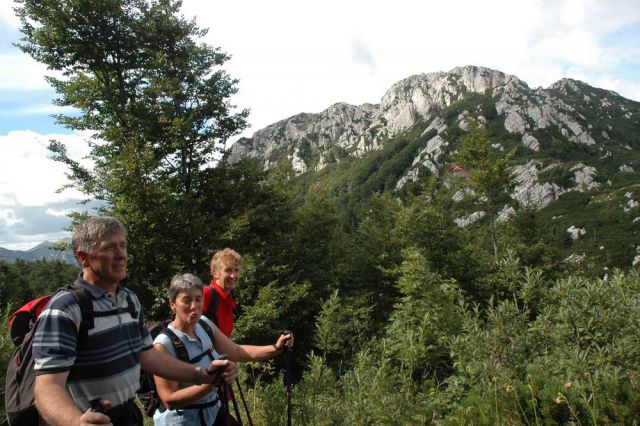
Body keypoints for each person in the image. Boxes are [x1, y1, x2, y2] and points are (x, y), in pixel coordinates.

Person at [32, 216, 236, 426]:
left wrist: (202, 374)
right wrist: (76, 422)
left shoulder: (129, 300)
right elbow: (46, 387)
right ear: (84, 257)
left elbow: (148, 357)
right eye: (110, 248)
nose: (121, 255)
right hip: (90, 418)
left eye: (122, 246)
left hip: (129, 415)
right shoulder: (65, 309)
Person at [153, 273, 294, 426]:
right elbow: (169, 399)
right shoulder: (164, 344)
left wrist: (275, 348)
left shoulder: (204, 325)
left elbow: (236, 351)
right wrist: (213, 382)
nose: (194, 306)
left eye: (198, 299)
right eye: (186, 300)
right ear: (172, 304)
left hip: (213, 414)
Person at [203, 248, 242, 337]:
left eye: (236, 270)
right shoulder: (206, 294)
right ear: (215, 273)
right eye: (228, 270)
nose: (233, 276)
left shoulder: (229, 299)